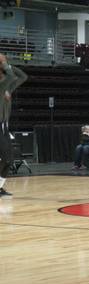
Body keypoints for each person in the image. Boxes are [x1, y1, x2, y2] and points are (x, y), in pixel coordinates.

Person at [0, 53, 28, 198]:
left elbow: (23, 76)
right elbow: (11, 77)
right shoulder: (1, 85)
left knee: (9, 159)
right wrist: (4, 62)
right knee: (5, 157)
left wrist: (8, 65)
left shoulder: (7, 88)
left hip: (4, 126)